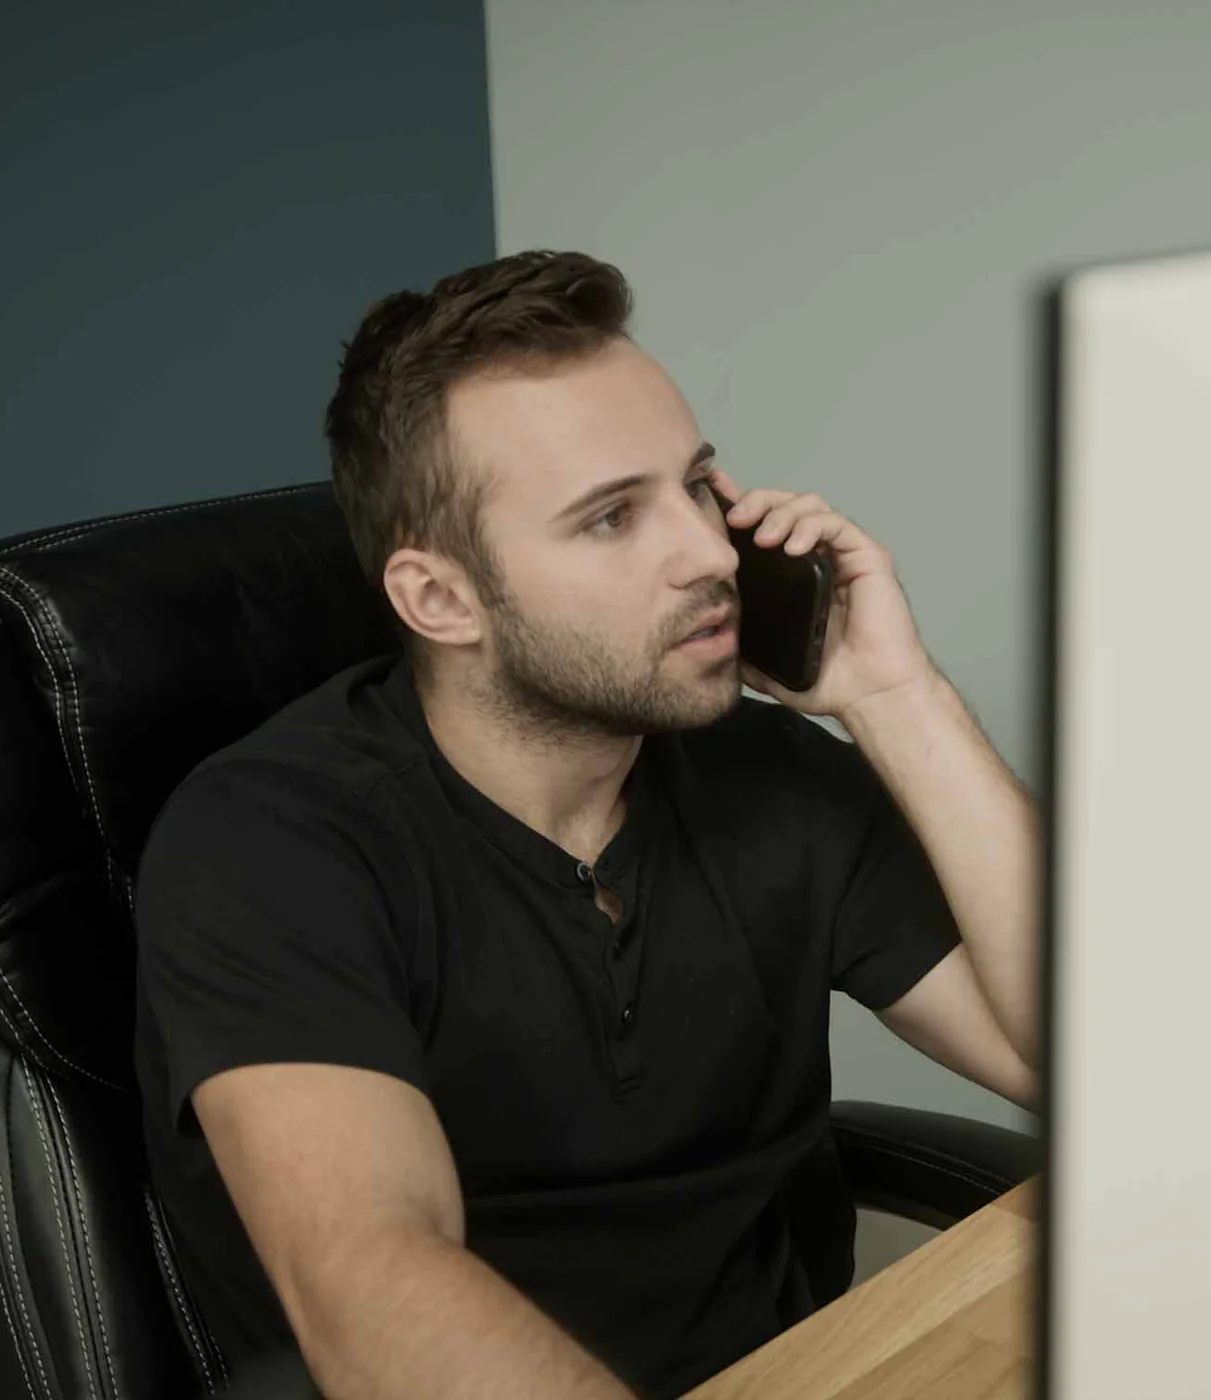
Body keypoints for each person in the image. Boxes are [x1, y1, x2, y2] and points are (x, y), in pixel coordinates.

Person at [133, 250, 1040, 1400]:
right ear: (439, 599)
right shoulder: (272, 843)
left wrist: (893, 696)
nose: (711, 551)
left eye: (696, 485)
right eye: (611, 517)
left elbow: (1092, 1055)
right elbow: (368, 1279)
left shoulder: (769, 776)